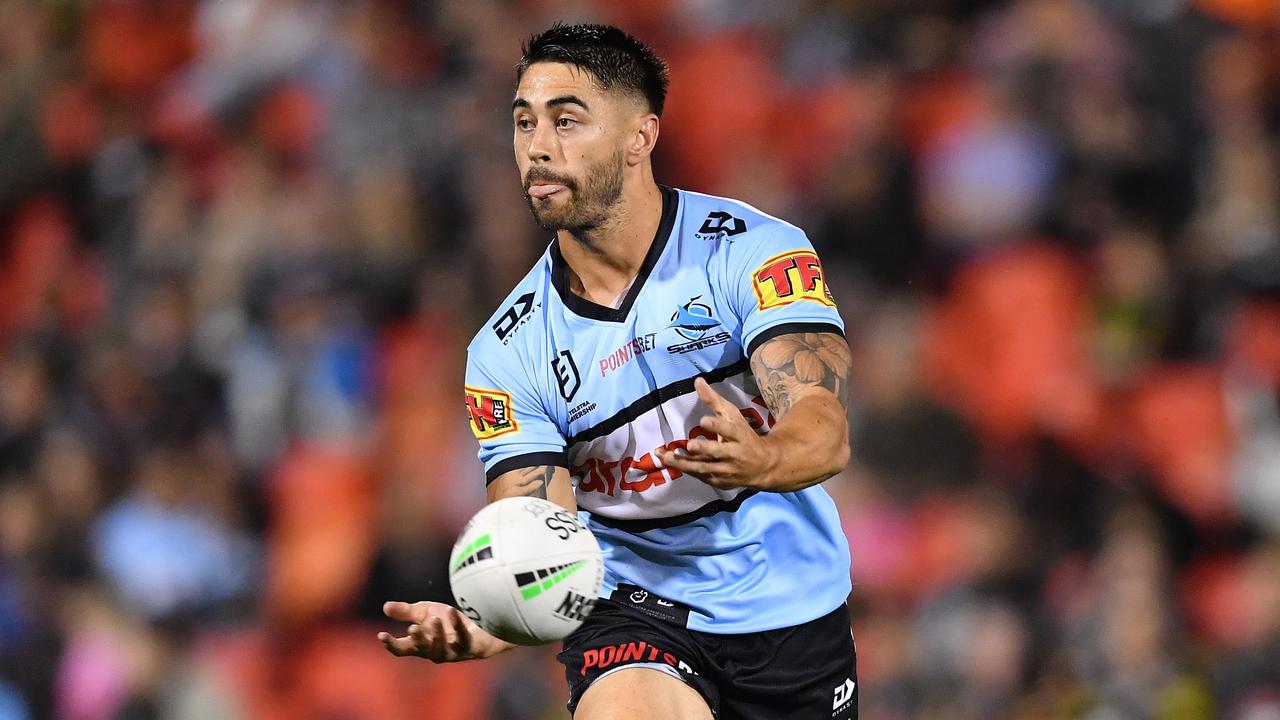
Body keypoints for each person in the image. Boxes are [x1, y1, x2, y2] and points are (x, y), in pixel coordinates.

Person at [378, 23, 858, 720]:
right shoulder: (504, 353)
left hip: (791, 610)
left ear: (640, 138)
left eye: (566, 120)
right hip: (633, 613)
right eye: (524, 122)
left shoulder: (751, 251)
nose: (538, 146)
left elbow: (826, 429)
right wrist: (493, 618)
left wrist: (767, 455)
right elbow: (540, 530)